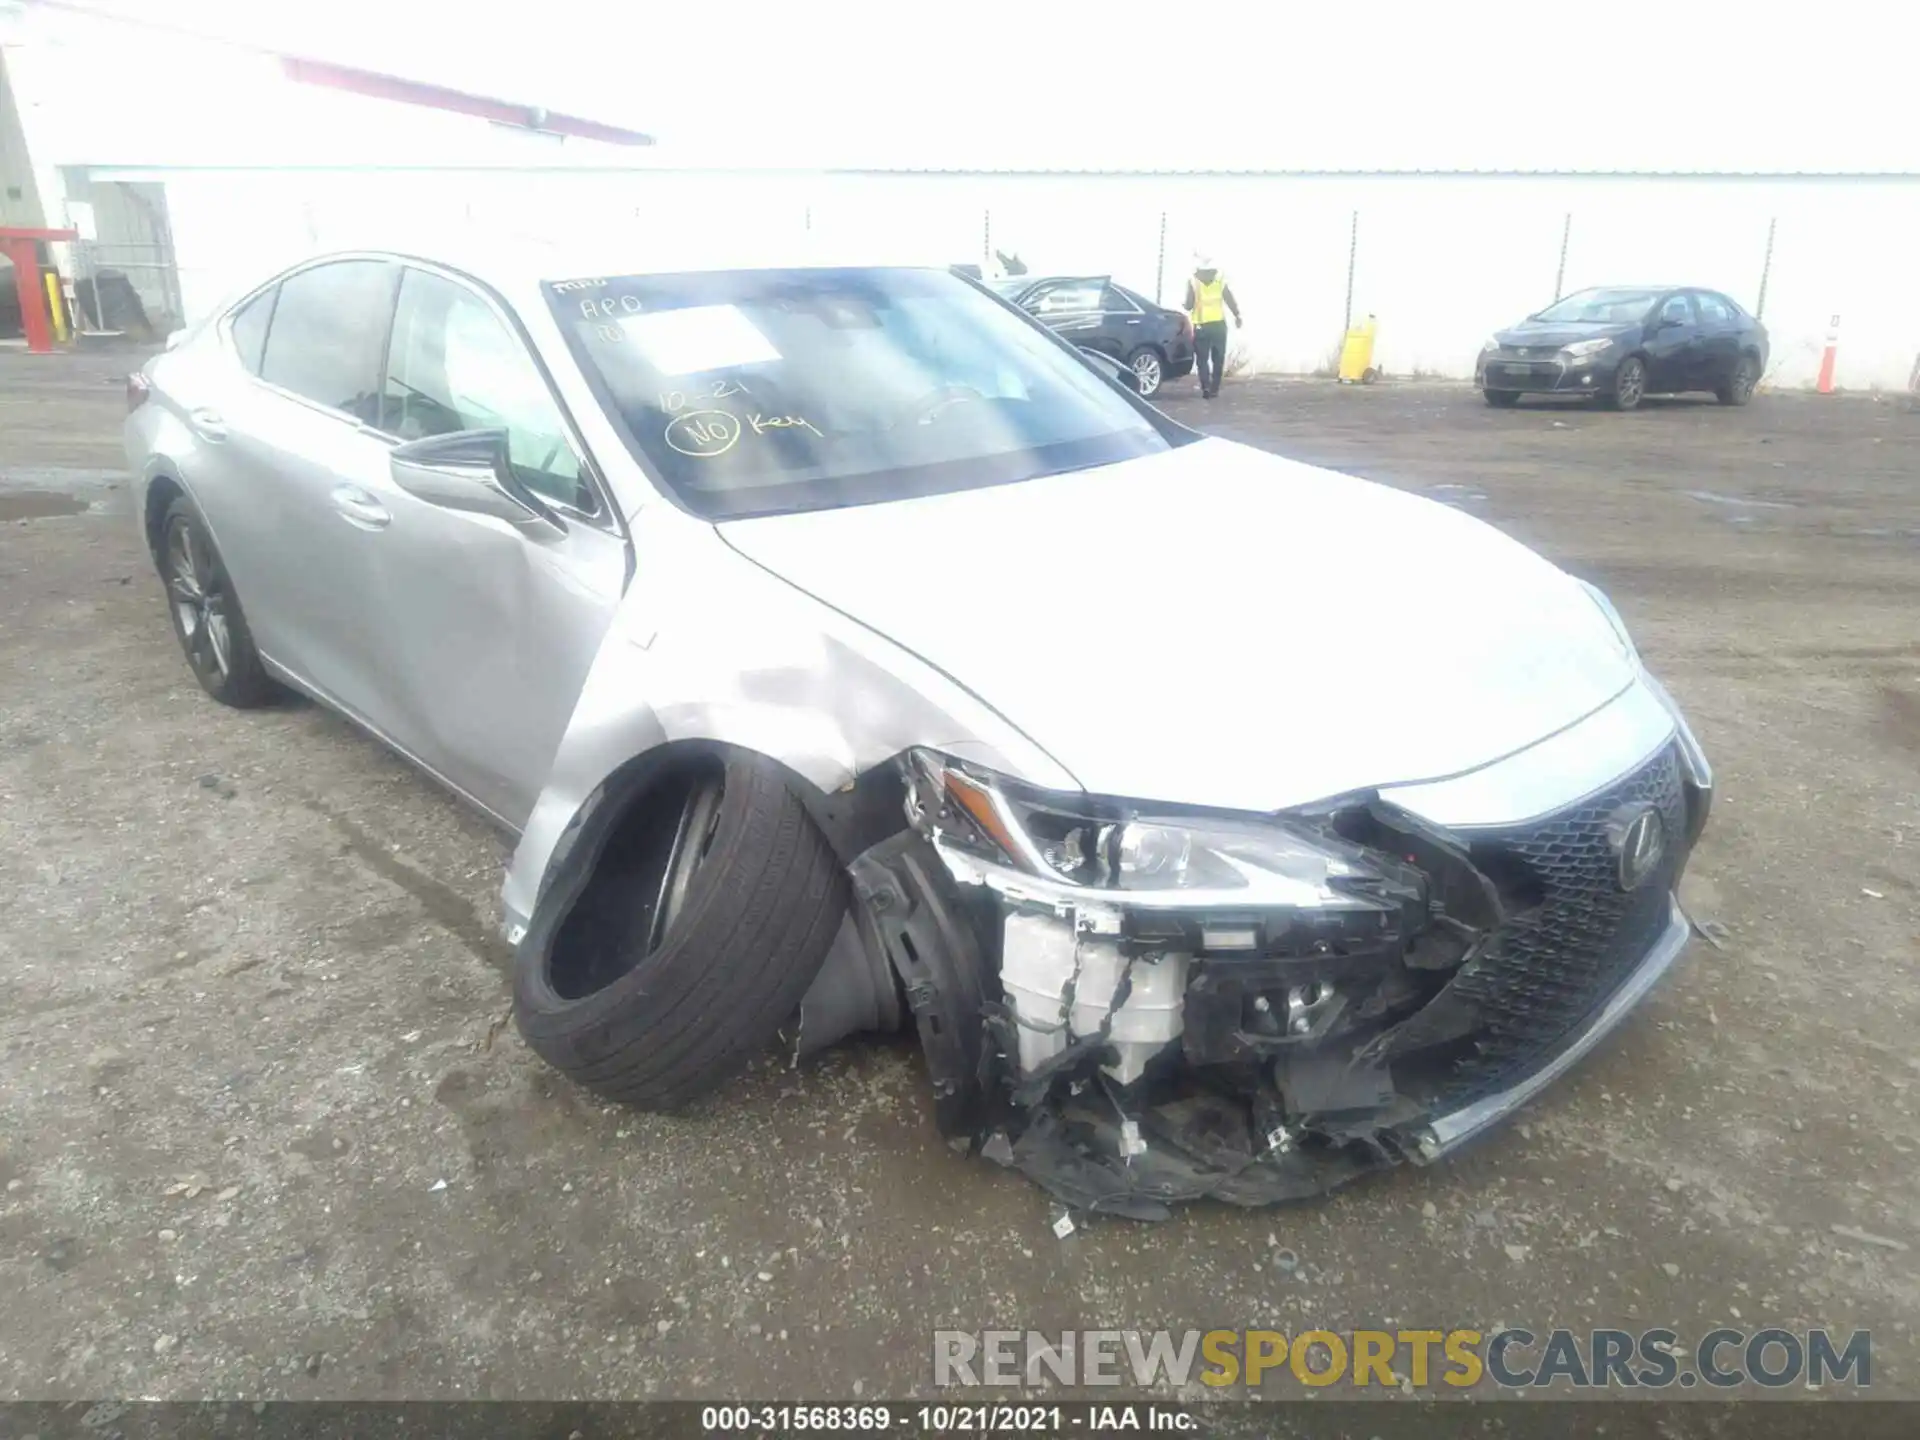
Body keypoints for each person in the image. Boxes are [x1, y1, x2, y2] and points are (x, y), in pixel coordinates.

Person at [1184, 254, 1243, 399]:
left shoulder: (1193, 281)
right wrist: (1237, 315)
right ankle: (1215, 389)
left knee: (1202, 359)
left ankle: (1205, 386)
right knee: (1218, 358)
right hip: (1218, 325)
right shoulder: (1219, 279)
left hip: (1201, 325)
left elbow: (1189, 304)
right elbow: (1229, 299)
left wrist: (1185, 305)